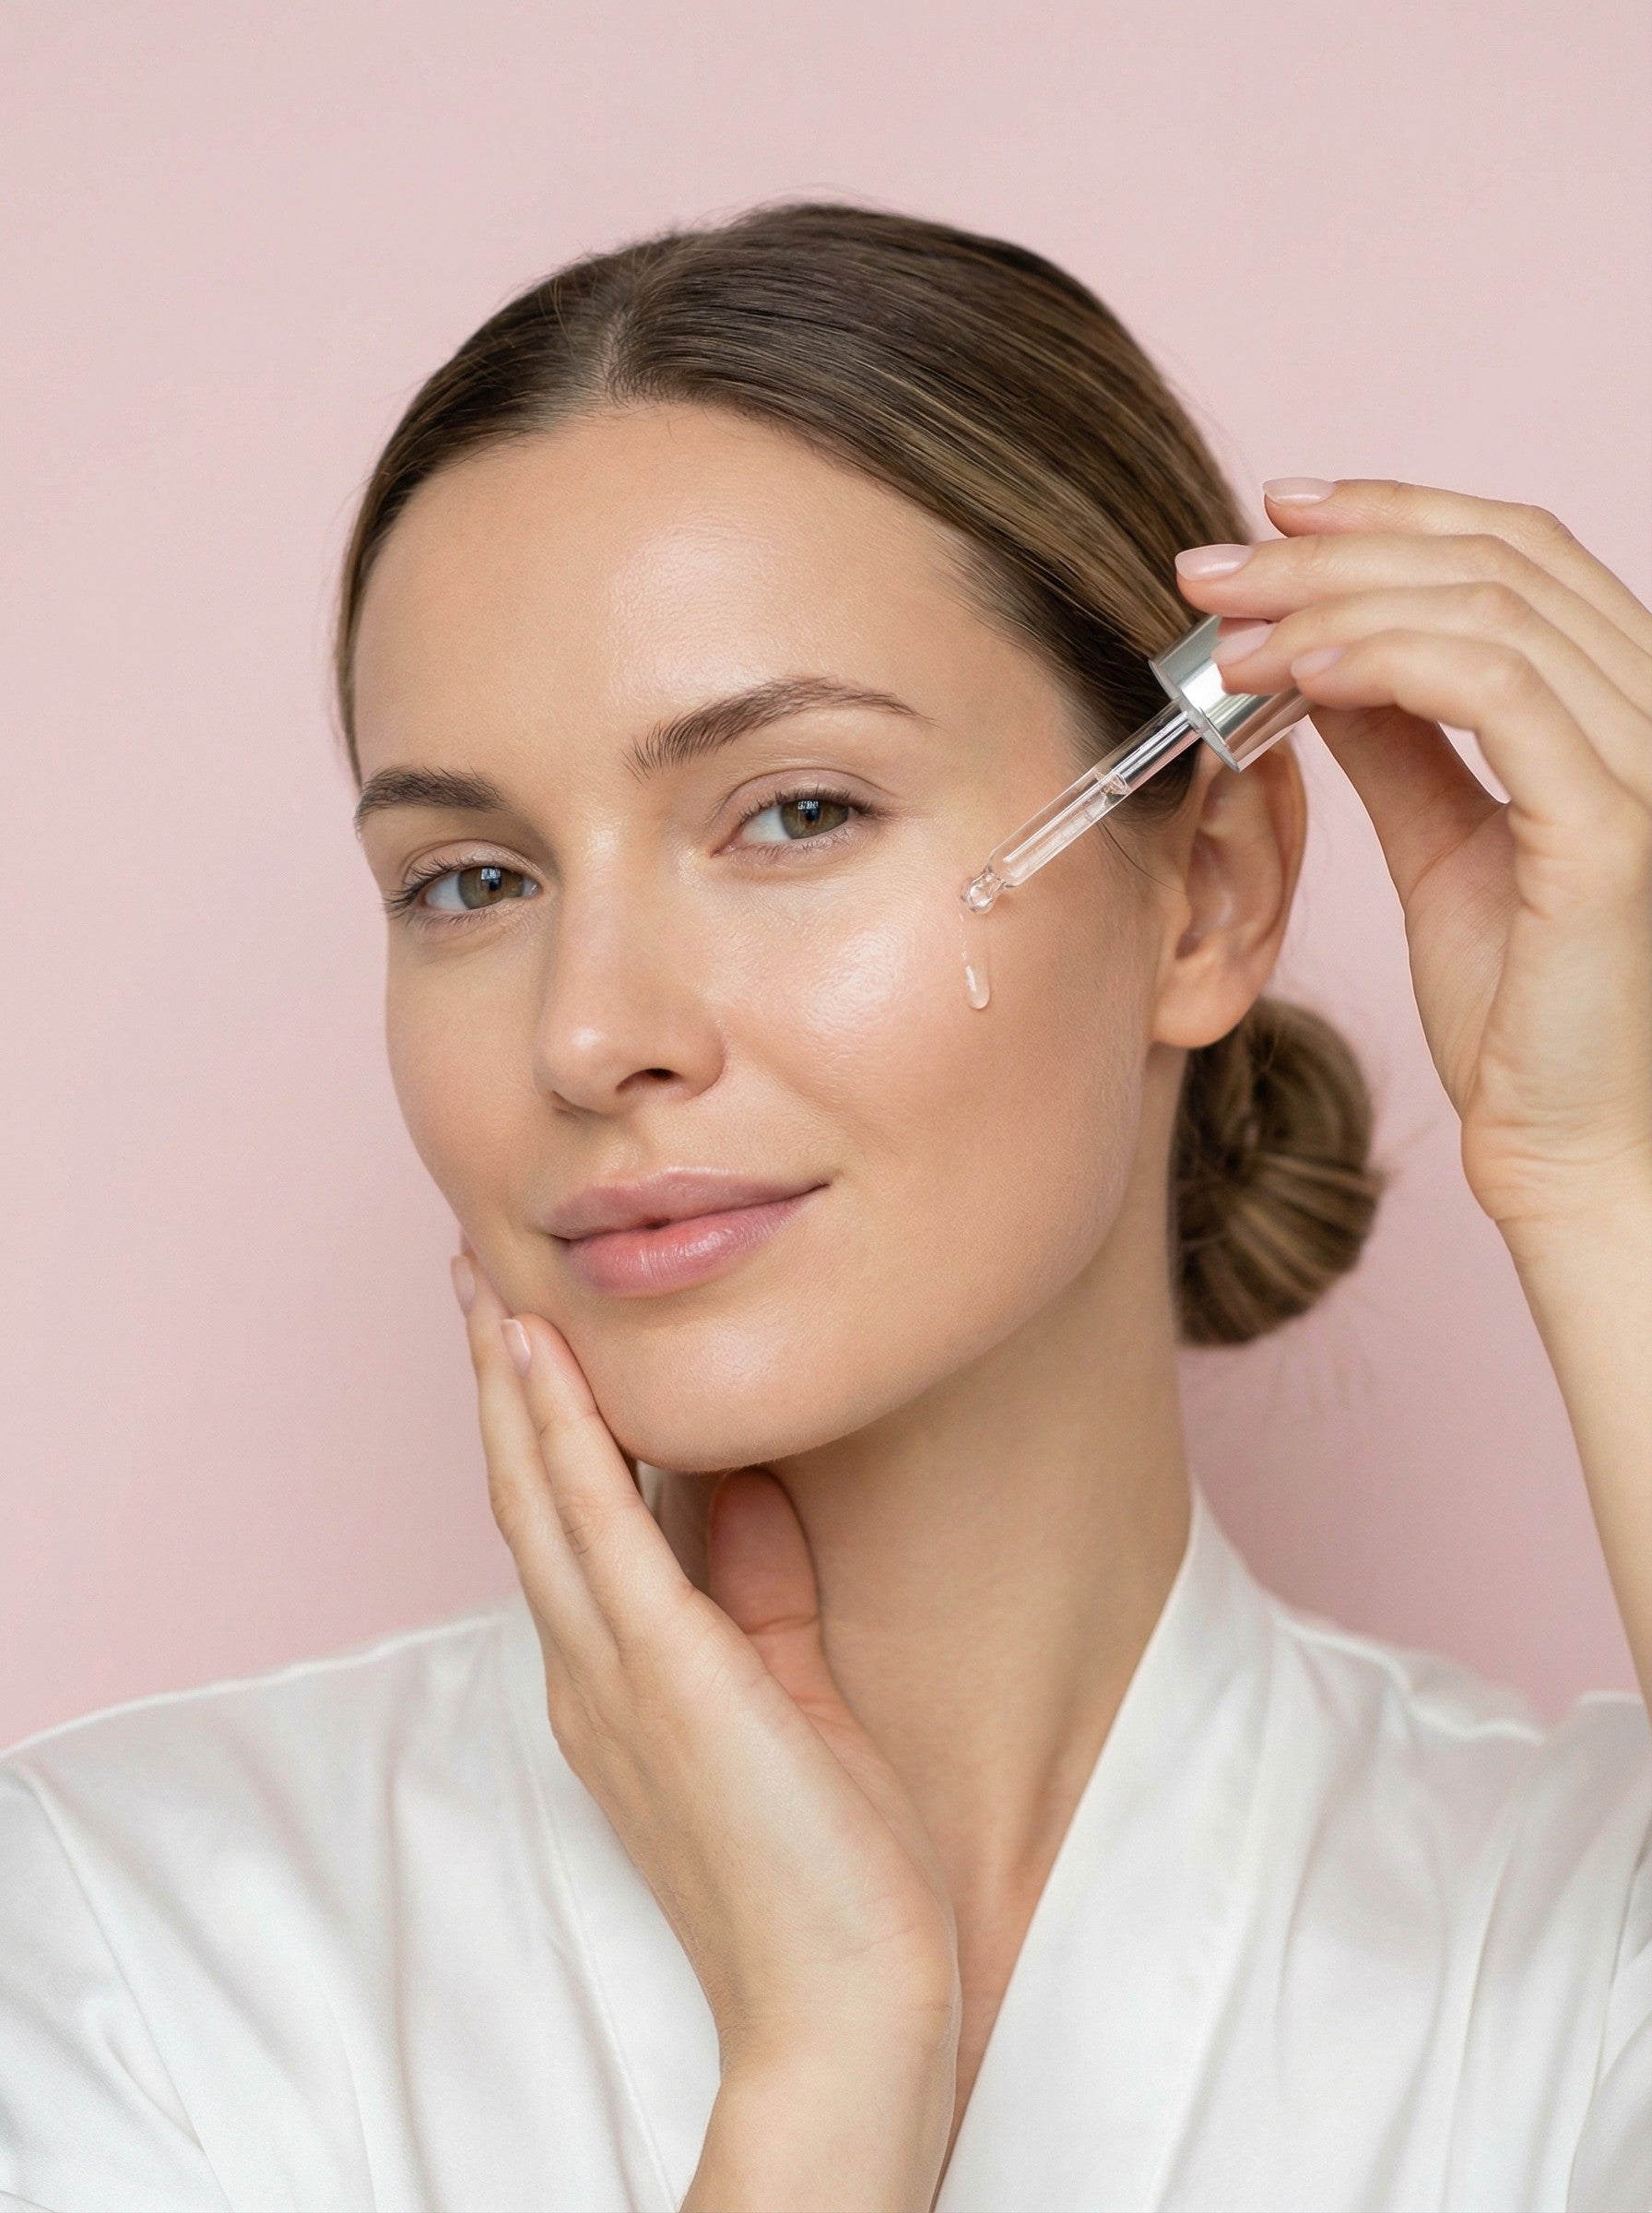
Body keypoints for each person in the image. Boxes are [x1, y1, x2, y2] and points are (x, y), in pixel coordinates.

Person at [2, 201, 1648, 2213]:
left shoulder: (1569, 1951)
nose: (590, 1034)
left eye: (794, 812)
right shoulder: (122, 1951)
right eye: (470, 881)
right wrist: (825, 2070)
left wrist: (1596, 1172)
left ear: (1206, 894)